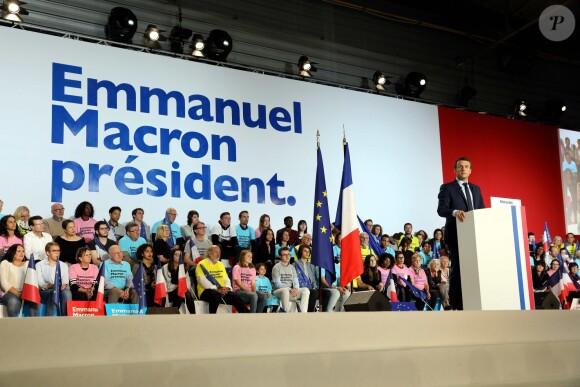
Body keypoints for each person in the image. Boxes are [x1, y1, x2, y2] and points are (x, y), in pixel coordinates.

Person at [437, 156, 485, 310]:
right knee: (458, 270)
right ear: (455, 170)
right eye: (460, 166)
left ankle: (475, 301)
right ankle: (457, 305)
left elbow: (482, 211)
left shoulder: (476, 189)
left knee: (475, 269)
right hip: (457, 235)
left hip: (475, 236)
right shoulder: (447, 188)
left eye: (466, 166)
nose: (463, 169)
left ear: (470, 170)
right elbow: (441, 210)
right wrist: (455, 212)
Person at [195, 245, 248, 313]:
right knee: (216, 295)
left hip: (222, 290)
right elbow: (203, 281)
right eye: (216, 252)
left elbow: (226, 279)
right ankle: (212, 318)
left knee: (234, 296)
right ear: (209, 253)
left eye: (219, 252)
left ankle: (247, 316)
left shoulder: (220, 264)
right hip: (206, 291)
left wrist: (227, 288)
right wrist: (217, 289)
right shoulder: (201, 264)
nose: (218, 254)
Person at [294, 244, 339, 312]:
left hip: (312, 288)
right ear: (300, 252)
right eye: (305, 251)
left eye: (308, 252)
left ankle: (323, 313)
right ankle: (310, 312)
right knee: (314, 292)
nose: (307, 253)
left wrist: (314, 286)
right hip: (301, 288)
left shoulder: (311, 265)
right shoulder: (295, 264)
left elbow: (313, 278)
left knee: (327, 293)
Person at [0, 244, 38, 317]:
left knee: (34, 299)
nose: (22, 253)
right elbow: (4, 282)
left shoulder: (28, 264)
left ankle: (34, 324)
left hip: (25, 293)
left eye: (23, 251)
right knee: (13, 301)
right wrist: (17, 293)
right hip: (9, 293)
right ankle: (14, 325)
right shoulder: (5, 263)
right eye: (19, 251)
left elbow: (32, 280)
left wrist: (25, 293)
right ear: (13, 253)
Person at [36, 242, 72, 316]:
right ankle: (49, 320)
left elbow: (65, 280)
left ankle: (66, 319)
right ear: (47, 253)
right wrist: (51, 286)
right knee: (54, 292)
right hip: (44, 292)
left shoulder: (63, 265)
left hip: (59, 289)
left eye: (58, 251)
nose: (57, 253)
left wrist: (64, 285)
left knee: (67, 292)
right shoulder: (39, 265)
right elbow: (40, 283)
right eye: (54, 251)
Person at [272, 246, 309, 312]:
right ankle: (286, 313)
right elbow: (277, 284)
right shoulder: (276, 267)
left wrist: (295, 289)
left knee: (305, 290)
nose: (287, 256)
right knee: (285, 290)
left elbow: (296, 282)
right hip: (278, 291)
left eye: (289, 254)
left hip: (290, 291)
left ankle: (303, 313)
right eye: (284, 255)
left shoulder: (292, 267)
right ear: (280, 257)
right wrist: (290, 289)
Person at [162, 247, 195, 312]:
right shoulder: (165, 267)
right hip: (170, 292)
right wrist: (179, 287)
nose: (179, 257)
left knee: (185, 293)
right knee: (181, 293)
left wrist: (183, 288)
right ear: (172, 256)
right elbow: (167, 285)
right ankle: (173, 313)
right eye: (176, 254)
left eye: (180, 255)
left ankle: (193, 315)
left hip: (181, 292)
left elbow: (187, 283)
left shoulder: (183, 268)